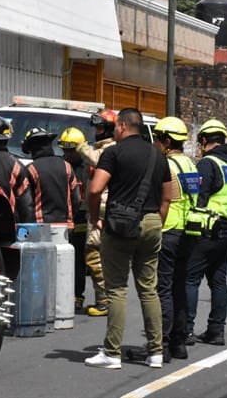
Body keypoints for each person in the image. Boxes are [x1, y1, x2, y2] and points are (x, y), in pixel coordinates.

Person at [84, 107, 171, 370]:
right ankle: (156, 352)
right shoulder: (158, 155)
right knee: (149, 289)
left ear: (121, 126)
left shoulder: (113, 153)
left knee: (117, 289)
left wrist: (93, 217)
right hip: (153, 222)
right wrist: (156, 222)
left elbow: (95, 188)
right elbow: (168, 197)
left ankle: (112, 353)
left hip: (120, 225)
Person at [184, 119, 227, 346]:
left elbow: (198, 198)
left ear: (204, 140)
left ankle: (186, 331)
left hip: (206, 230)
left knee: (191, 279)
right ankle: (216, 331)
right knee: (218, 281)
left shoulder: (208, 164)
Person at [151, 116, 200, 362]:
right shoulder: (190, 164)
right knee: (179, 287)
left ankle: (164, 345)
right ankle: (179, 342)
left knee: (163, 289)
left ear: (167, 141)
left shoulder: (166, 166)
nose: (155, 144)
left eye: (157, 139)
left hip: (169, 230)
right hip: (187, 233)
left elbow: (164, 202)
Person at [75, 109, 118, 317]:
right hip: (100, 211)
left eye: (100, 127)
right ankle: (107, 300)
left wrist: (80, 145)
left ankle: (104, 302)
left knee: (93, 256)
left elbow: (95, 159)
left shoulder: (109, 150)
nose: (97, 132)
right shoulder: (105, 147)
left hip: (102, 212)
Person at [21, 127, 81, 226]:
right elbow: (76, 199)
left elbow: (26, 203)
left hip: (41, 226)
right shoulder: (66, 166)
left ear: (31, 148)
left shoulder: (31, 169)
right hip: (66, 225)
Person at [58, 127, 89, 311]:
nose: (68, 154)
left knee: (78, 260)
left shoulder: (89, 168)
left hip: (81, 218)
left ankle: (77, 296)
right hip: (63, 217)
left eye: (72, 150)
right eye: (65, 150)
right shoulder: (62, 166)